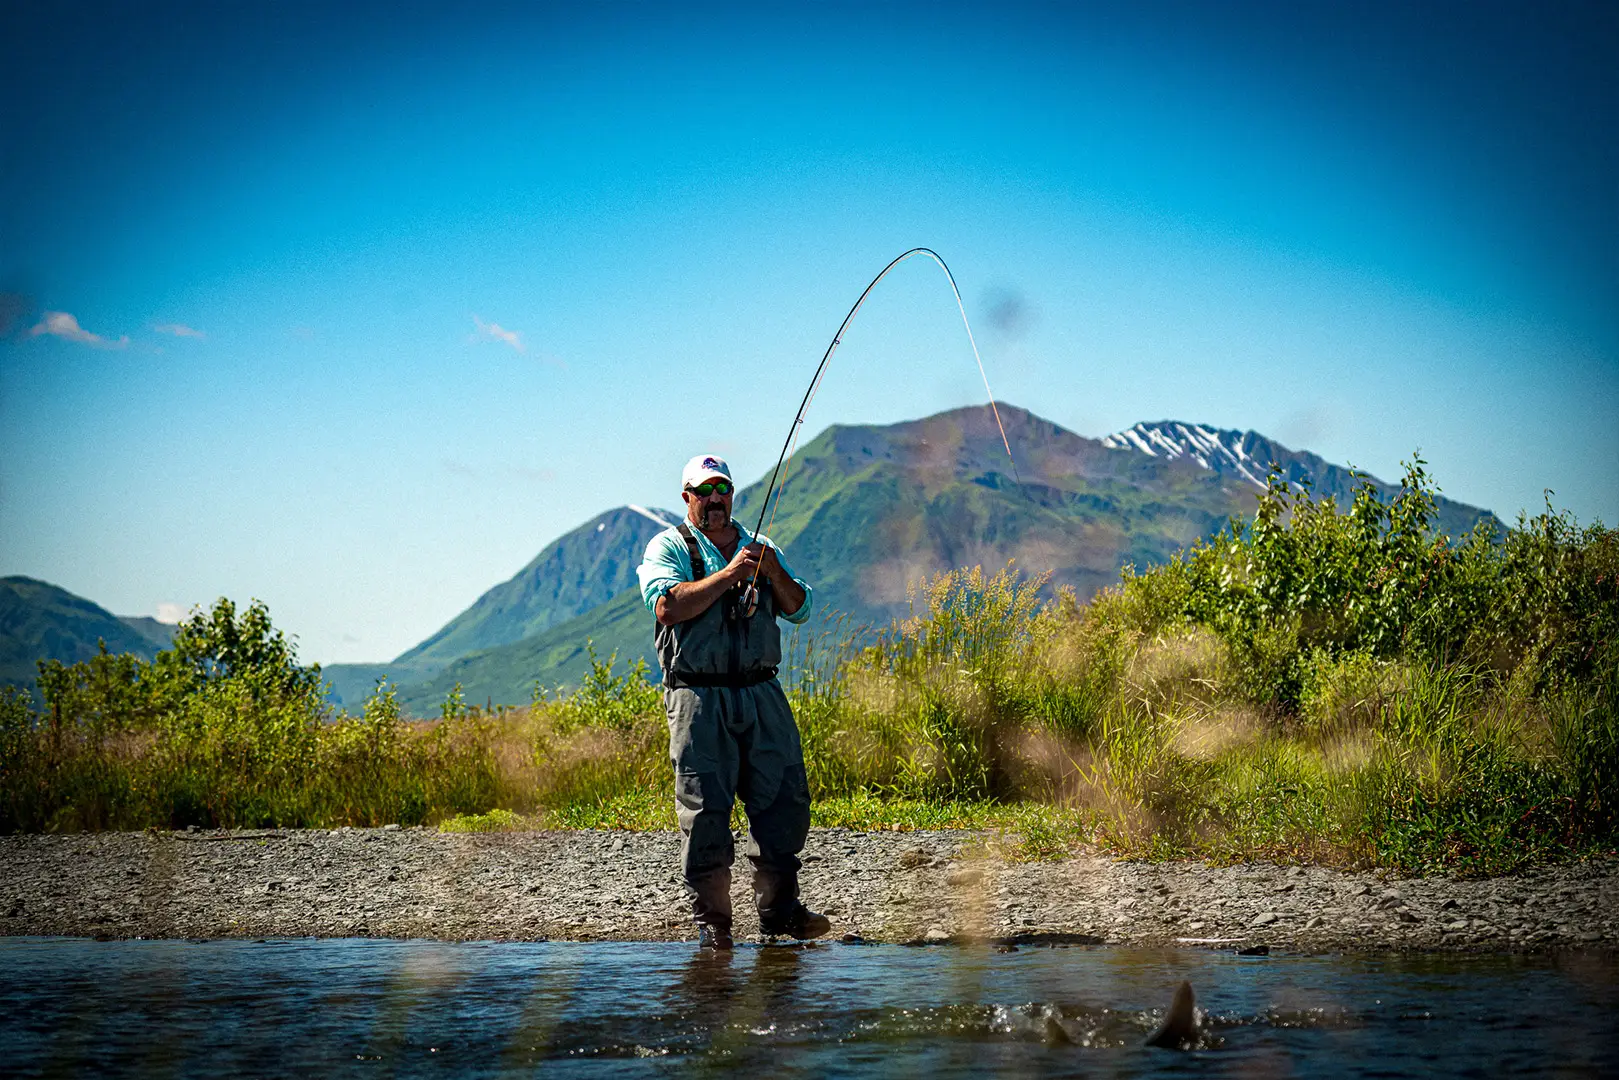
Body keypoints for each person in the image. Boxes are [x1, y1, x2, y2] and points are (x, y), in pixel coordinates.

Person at [636, 453, 831, 949]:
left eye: (722, 489)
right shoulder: (668, 546)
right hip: (697, 696)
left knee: (784, 800)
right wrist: (728, 576)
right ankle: (714, 924)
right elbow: (667, 605)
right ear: (687, 498)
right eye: (704, 492)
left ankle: (780, 911)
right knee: (705, 810)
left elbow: (801, 608)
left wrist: (769, 572)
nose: (715, 499)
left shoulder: (761, 546)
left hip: (762, 690)